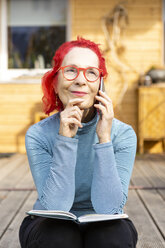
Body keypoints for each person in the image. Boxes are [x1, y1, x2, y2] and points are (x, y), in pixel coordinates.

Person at [19, 37, 138, 248]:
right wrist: (65, 139)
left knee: (111, 236)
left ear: (101, 85)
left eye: (91, 73)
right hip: (49, 222)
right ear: (55, 83)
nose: (81, 80)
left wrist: (104, 139)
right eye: (71, 70)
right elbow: (55, 207)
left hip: (103, 220)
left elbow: (110, 209)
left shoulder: (123, 135)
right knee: (60, 236)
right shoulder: (38, 135)